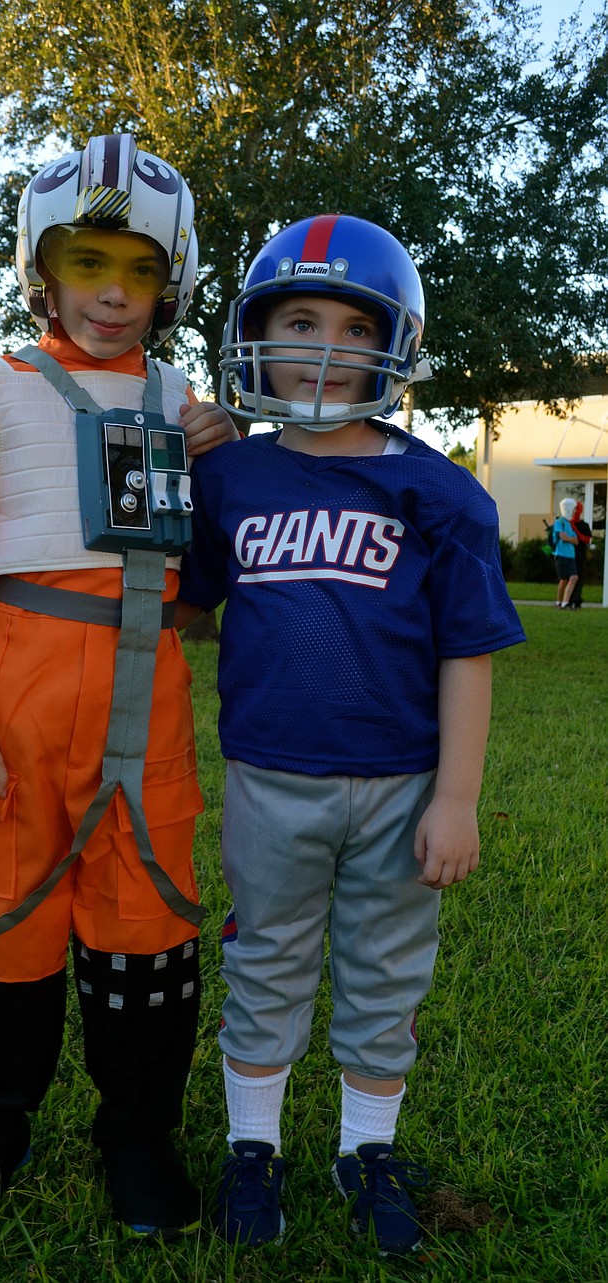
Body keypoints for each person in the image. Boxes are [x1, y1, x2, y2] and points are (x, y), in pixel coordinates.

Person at [0, 134, 237, 1239]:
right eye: (89, 264)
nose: (114, 294)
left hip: (151, 713)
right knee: (6, 919)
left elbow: (210, 584)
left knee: (149, 918)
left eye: (139, 270)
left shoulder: (193, 407)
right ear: (43, 270)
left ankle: (137, 1133)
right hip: (16, 710)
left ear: (170, 279)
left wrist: (213, 462)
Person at [175, 214, 526, 1255]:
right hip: (268, 775)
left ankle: (364, 1145)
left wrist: (456, 796)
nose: (322, 346)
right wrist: (170, 454)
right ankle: (254, 1145)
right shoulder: (229, 479)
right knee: (267, 959)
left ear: (393, 348)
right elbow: (188, 609)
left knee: (384, 969)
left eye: (349, 325)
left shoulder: (440, 491)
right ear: (254, 334)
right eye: (296, 319)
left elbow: (467, 649)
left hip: (401, 782)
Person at [552, 497, 579, 609]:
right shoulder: (559, 522)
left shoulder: (570, 524)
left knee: (574, 577)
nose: (574, 511)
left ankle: (565, 602)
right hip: (561, 555)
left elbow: (576, 541)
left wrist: (569, 538)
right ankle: (559, 601)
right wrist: (570, 538)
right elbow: (562, 537)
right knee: (563, 580)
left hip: (571, 555)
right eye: (573, 509)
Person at [568, 500, 591, 609]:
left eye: (576, 509)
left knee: (579, 577)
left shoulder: (584, 525)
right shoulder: (567, 523)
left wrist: (576, 532)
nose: (574, 511)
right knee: (569, 577)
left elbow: (587, 539)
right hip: (568, 554)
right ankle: (568, 599)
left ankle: (576, 600)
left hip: (580, 555)